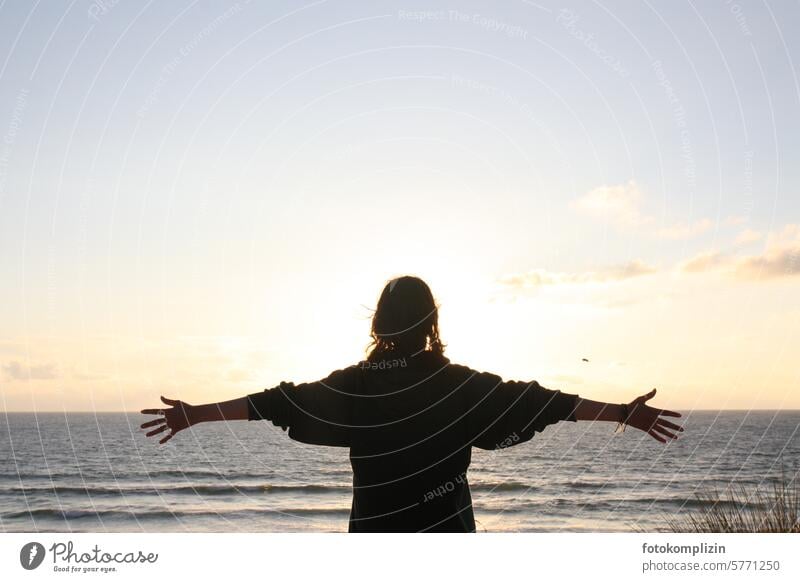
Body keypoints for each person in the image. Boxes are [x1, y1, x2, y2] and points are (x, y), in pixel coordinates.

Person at [141, 275, 683, 532]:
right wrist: (620, 413)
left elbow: (279, 402)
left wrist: (196, 414)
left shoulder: (356, 384)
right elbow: (540, 402)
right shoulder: (457, 385)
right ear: (431, 323)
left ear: (379, 322)